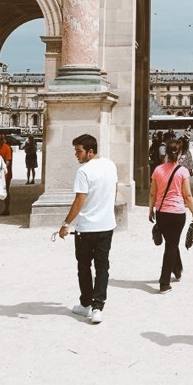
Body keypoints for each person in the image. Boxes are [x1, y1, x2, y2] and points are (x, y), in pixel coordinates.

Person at [58, 134, 118, 324]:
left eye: (79, 151)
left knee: (84, 267)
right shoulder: (110, 165)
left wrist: (65, 223)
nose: (76, 155)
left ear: (90, 151)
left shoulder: (84, 172)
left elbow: (79, 200)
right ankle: (97, 307)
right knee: (102, 267)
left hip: (86, 227)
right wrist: (107, 209)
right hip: (107, 225)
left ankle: (85, 304)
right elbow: (114, 190)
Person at [149, 138, 193, 294]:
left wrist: (150, 209)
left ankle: (177, 269)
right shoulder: (183, 171)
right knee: (171, 245)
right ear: (180, 153)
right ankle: (164, 282)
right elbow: (188, 195)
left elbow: (152, 193)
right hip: (177, 213)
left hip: (162, 212)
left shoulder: (157, 170)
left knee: (171, 242)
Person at [0, 134, 12, 215]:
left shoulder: (7, 148)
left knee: (6, 190)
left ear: (4, 139)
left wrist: (2, 169)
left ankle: (7, 209)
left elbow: (8, 161)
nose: (0, 140)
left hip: (5, 173)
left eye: (1, 138)